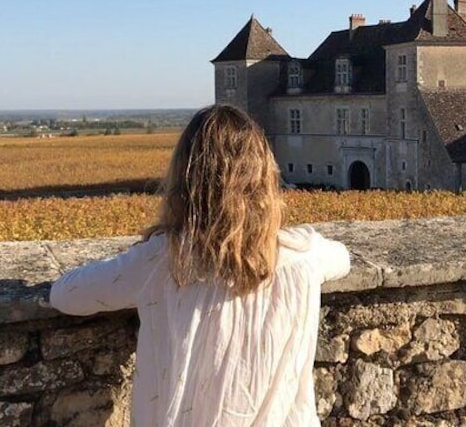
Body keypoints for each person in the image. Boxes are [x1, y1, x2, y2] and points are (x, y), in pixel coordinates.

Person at [50, 104, 350, 426]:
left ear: (186, 179)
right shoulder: (302, 255)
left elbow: (66, 294)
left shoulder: (163, 260)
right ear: (263, 177)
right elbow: (343, 259)